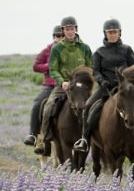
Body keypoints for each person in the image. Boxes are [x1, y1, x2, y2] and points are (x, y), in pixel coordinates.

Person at [73, 17, 134, 152]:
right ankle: (85, 139)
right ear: (105, 34)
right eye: (110, 32)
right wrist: (102, 81)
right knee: (88, 108)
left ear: (119, 33)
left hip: (125, 88)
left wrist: (128, 81)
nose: (113, 35)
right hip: (105, 87)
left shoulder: (127, 50)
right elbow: (95, 71)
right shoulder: (99, 52)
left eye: (115, 32)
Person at [38, 16, 93, 155]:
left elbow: (91, 67)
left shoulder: (85, 48)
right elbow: (53, 69)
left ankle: (96, 139)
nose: (70, 32)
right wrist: (62, 81)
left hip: (81, 88)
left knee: (96, 106)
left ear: (76, 29)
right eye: (67, 29)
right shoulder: (57, 49)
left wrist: (86, 82)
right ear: (63, 31)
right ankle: (45, 138)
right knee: (48, 107)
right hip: (63, 86)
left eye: (72, 29)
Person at [23, 25, 63, 152]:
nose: (60, 38)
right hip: (51, 85)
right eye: (58, 36)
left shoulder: (70, 50)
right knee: (38, 104)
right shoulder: (47, 51)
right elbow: (36, 66)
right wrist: (49, 66)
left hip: (67, 85)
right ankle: (33, 135)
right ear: (54, 37)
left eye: (62, 36)